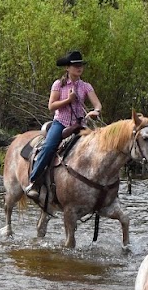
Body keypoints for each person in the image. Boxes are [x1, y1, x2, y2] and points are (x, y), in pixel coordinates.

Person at [25, 49, 102, 197]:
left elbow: (97, 104)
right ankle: (34, 182)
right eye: (75, 65)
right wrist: (68, 100)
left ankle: (96, 185)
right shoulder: (58, 85)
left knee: (96, 147)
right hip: (61, 123)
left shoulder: (86, 86)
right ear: (67, 68)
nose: (79, 67)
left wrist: (95, 112)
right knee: (49, 147)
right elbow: (51, 106)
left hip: (80, 124)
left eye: (80, 65)